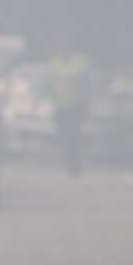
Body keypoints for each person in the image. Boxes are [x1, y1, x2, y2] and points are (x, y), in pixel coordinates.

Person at [51, 50, 90, 178]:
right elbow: (51, 83)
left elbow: (84, 84)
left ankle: (75, 165)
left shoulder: (79, 62)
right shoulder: (55, 62)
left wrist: (85, 104)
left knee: (74, 137)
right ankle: (69, 164)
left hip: (75, 106)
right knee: (64, 136)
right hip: (60, 106)